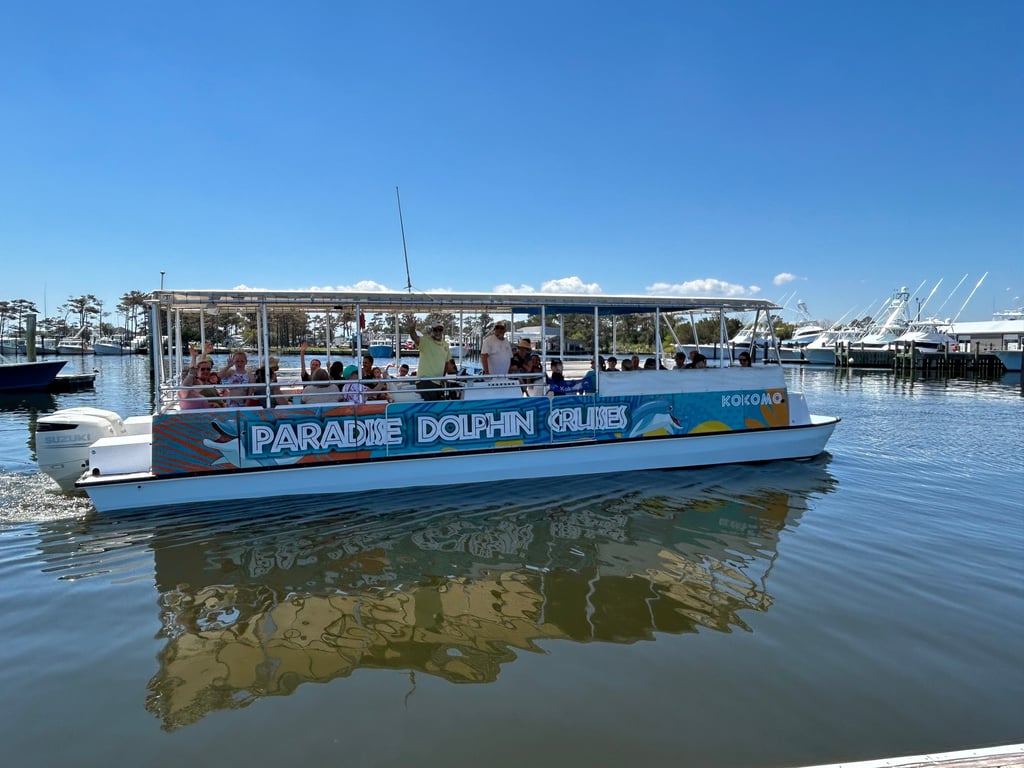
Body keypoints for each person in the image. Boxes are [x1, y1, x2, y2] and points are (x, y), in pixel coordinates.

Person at [407, 319, 451, 401]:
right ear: (432, 330)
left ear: (442, 331)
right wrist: (412, 329)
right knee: (430, 407)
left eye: (440, 330)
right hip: (425, 381)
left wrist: (443, 378)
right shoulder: (425, 341)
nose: (438, 332)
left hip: (438, 382)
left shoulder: (446, 345)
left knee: (436, 406)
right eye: (435, 330)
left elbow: (447, 363)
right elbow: (414, 337)